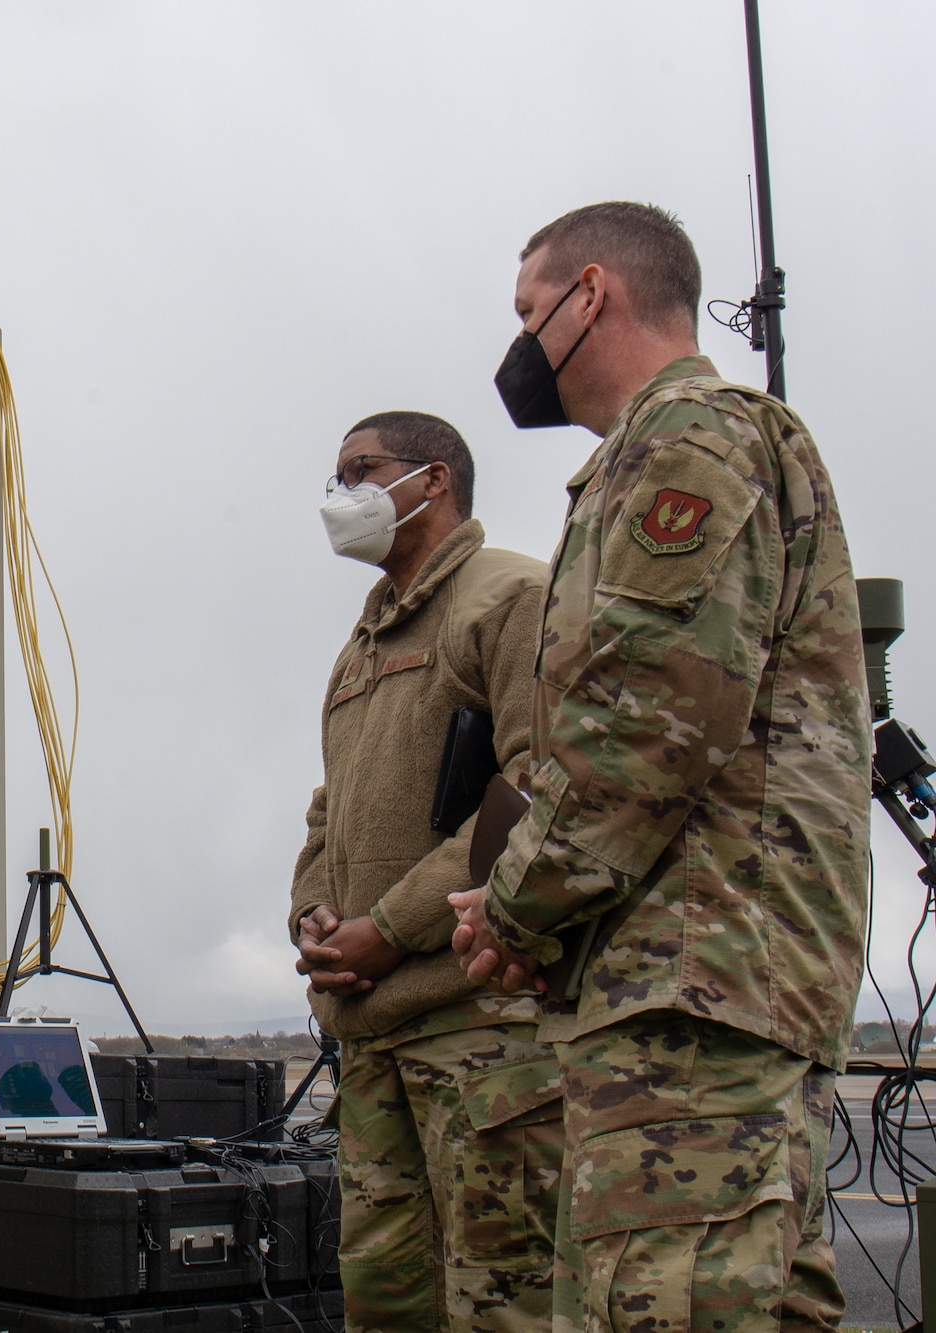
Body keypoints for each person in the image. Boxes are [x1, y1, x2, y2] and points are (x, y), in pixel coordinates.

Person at [451, 201, 868, 1331]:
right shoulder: (652, 454)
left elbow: (644, 731)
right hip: (696, 976)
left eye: (529, 312)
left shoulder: (687, 438)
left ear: (591, 295)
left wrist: (513, 910)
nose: (520, 344)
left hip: (690, 979)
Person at [290, 411, 558, 1333]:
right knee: (387, 1302)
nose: (343, 498)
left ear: (434, 479)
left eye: (360, 472)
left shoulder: (512, 595)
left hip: (477, 1025)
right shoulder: (359, 647)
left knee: (505, 1298)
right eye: (336, 479)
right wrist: (315, 924)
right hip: (373, 1037)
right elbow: (330, 810)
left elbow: (533, 787)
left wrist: (390, 929)